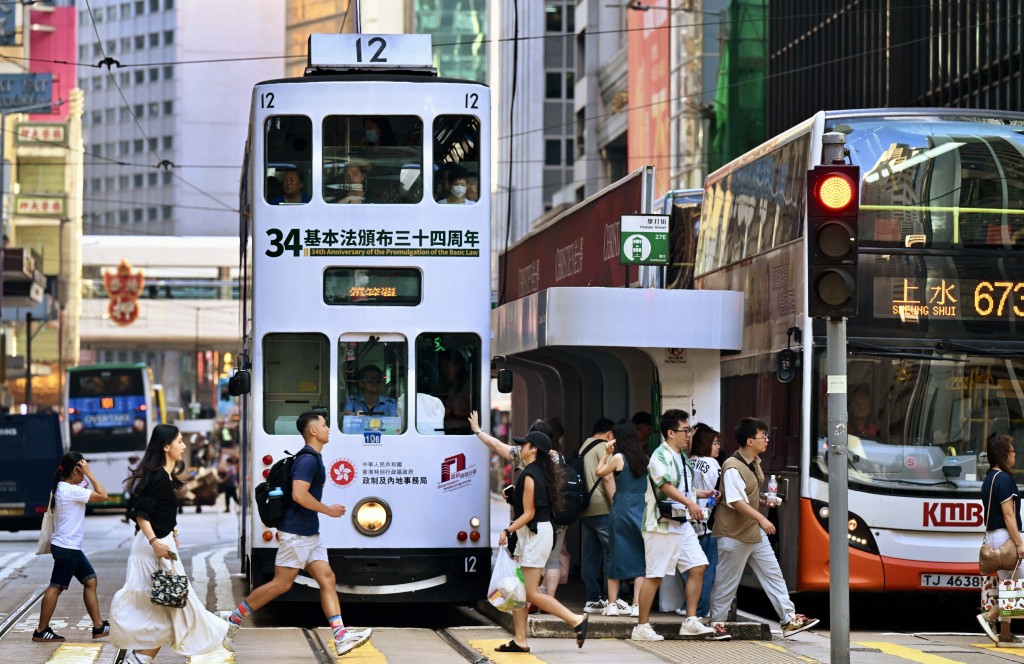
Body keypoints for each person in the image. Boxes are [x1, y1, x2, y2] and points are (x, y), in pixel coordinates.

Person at [221, 411, 372, 656]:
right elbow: (298, 495)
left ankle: (341, 635)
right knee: (281, 584)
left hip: (309, 534)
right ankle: (232, 620)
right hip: (297, 534)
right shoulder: (308, 460)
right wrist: (328, 510)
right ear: (312, 431)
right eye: (324, 425)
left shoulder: (312, 457)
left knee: (327, 579)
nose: (328, 428)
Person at [109, 424, 232, 663]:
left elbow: (158, 513)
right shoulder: (157, 477)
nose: (183, 445)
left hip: (161, 545)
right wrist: (155, 541)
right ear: (166, 447)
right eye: (179, 441)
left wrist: (172, 533)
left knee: (170, 607)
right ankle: (222, 628)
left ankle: (138, 659)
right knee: (173, 606)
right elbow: (141, 514)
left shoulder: (164, 476)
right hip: (151, 548)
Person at [709, 418, 818, 638]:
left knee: (773, 574)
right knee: (727, 581)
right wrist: (762, 519)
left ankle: (789, 618)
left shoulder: (753, 462)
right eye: (763, 436)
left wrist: (762, 501)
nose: (767, 440)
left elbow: (746, 496)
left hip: (752, 532)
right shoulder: (732, 466)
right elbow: (736, 501)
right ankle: (716, 624)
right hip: (734, 534)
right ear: (750, 441)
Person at [495, 430, 589, 653]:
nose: (520, 448)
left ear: (534, 448)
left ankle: (575, 619)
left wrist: (507, 530)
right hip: (533, 533)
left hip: (535, 535)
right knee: (520, 589)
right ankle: (520, 640)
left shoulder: (530, 474)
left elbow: (528, 513)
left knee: (530, 593)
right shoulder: (542, 472)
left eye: (524, 444)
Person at [632, 409, 715, 641]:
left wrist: (704, 493)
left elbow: (683, 488)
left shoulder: (681, 456)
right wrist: (692, 504)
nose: (689, 435)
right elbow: (666, 486)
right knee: (655, 575)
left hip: (680, 522)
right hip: (660, 524)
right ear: (671, 432)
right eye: (685, 430)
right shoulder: (660, 456)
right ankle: (641, 626)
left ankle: (690, 620)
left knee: (698, 566)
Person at [32, 453, 111, 643]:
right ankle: (41, 630)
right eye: (81, 470)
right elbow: (103, 495)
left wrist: (83, 475)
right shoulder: (70, 490)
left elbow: (86, 489)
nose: (83, 475)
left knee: (90, 580)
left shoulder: (60, 487)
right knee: (56, 587)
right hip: (68, 548)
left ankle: (99, 626)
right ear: (76, 470)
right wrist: (90, 474)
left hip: (67, 547)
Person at [595, 420, 647, 619]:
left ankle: (613, 604)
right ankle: (636, 605)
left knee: (615, 555)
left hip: (621, 509)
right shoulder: (644, 458)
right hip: (640, 509)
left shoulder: (618, 457)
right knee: (641, 558)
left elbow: (600, 473)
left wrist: (606, 453)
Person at [977, 434, 1024, 643]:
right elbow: (1008, 515)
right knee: (1019, 584)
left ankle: (1005, 634)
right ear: (1004, 454)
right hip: (1006, 538)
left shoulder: (989, 479)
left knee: (1010, 584)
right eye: (1012, 452)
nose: (1015, 456)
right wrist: (1019, 543)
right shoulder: (1005, 479)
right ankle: (990, 616)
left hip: (993, 538)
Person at [678, 423, 722, 618]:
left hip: (689, 519)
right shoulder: (712, 464)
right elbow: (718, 491)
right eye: (714, 443)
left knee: (690, 566)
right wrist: (711, 505)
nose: (718, 447)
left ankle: (687, 604)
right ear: (705, 443)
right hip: (708, 520)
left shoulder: (689, 460)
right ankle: (701, 608)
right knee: (707, 567)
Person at [577, 417, 617, 614]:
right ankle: (612, 600)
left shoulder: (583, 447)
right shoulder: (603, 447)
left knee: (591, 555)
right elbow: (608, 477)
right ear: (609, 434)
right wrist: (615, 504)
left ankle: (592, 599)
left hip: (585, 508)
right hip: (602, 507)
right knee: (611, 554)